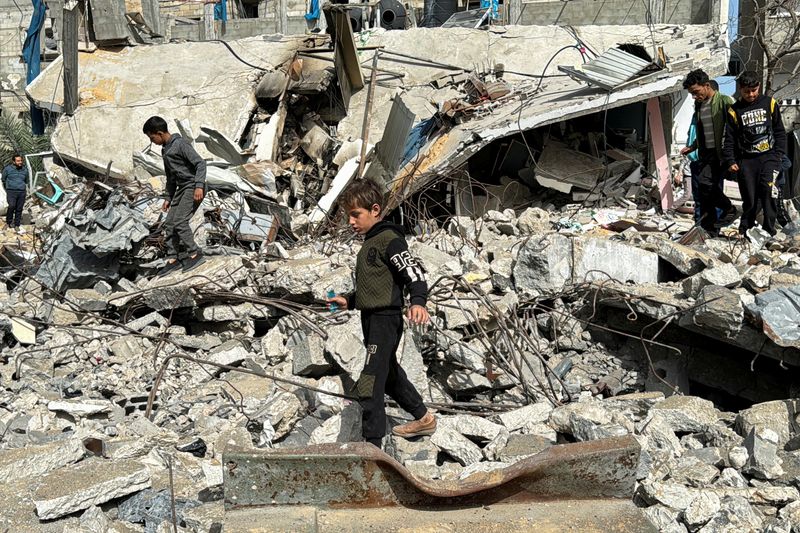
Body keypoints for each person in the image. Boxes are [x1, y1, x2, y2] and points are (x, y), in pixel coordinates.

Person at [327, 179, 436, 448]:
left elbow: (414, 274)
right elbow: (375, 287)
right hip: (371, 319)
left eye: (356, 215)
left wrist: (418, 302)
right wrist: (349, 301)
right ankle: (424, 418)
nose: (351, 222)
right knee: (388, 375)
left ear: (375, 210)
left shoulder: (390, 240)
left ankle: (371, 446)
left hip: (386, 320)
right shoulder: (369, 244)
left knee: (370, 381)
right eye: (348, 216)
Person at [722, 71, 787, 236]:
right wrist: (730, 160)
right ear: (740, 90)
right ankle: (746, 230)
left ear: (758, 87)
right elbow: (729, 138)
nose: (751, 94)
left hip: (769, 157)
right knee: (750, 198)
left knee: (768, 191)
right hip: (747, 161)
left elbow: (780, 131)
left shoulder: (770, 103)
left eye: (754, 90)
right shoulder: (734, 110)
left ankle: (769, 230)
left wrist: (778, 155)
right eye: (746, 91)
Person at [142, 116, 207, 274]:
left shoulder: (180, 144)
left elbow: (200, 163)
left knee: (180, 221)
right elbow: (170, 177)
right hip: (181, 189)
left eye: (152, 138)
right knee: (170, 222)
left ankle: (195, 253)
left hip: (193, 186)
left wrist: (199, 186)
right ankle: (173, 259)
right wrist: (168, 198)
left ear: (159, 133)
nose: (152, 142)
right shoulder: (165, 149)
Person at [680, 70, 737, 235]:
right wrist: (693, 146)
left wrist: (732, 155)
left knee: (707, 184)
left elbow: (735, 128)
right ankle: (710, 229)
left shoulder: (724, 101)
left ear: (707, 85)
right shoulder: (699, 105)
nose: (694, 96)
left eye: (696, 92)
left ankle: (729, 209)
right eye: (691, 94)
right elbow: (703, 130)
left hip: (721, 153)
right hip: (706, 152)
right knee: (704, 192)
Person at [2, 154, 28, 233]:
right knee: (11, 206)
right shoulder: (7, 169)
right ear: (13, 161)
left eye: (21, 160)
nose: (20, 162)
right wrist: (8, 188)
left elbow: (26, 181)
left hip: (21, 192)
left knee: (19, 208)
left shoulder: (24, 170)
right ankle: (8, 222)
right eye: (18, 161)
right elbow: (3, 179)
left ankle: (17, 225)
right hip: (11, 191)